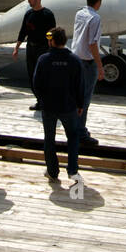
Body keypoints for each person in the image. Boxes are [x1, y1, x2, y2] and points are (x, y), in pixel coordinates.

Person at [31, 27, 85, 186]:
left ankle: (52, 171)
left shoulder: (43, 59)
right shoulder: (75, 60)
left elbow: (36, 83)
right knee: (73, 137)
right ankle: (73, 170)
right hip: (69, 107)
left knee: (49, 139)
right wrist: (80, 104)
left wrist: (42, 100)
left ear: (52, 41)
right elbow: (80, 85)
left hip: (49, 107)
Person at [13, 0, 56, 111]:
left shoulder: (48, 14)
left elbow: (52, 32)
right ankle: (39, 100)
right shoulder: (28, 14)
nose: (29, 1)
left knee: (43, 75)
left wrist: (51, 46)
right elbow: (23, 32)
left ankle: (46, 101)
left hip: (43, 48)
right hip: (30, 48)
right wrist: (16, 48)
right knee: (32, 75)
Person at [71, 0, 103, 148]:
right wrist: (100, 66)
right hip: (87, 62)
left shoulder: (80, 14)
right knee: (85, 99)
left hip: (75, 58)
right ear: (98, 2)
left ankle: (76, 127)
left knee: (76, 97)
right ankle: (80, 132)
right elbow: (92, 44)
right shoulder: (95, 18)